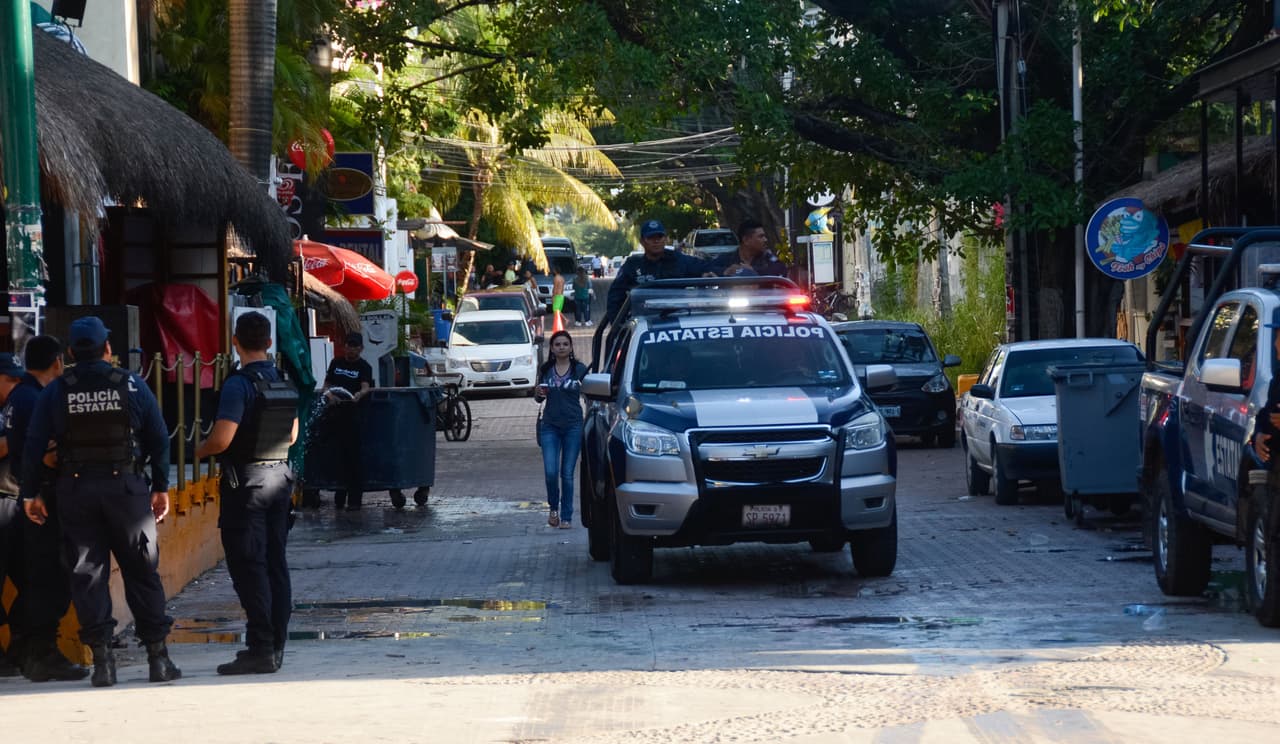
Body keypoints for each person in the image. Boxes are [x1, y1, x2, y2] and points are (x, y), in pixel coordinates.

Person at [21, 317, 180, 687]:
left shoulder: (57, 390)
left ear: (72, 352)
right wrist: (160, 486)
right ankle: (158, 659)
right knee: (142, 572)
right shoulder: (131, 383)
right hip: (126, 491)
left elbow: (32, 446)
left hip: (75, 492)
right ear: (108, 349)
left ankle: (103, 664)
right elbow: (159, 438)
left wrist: (31, 493)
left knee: (87, 575)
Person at [195, 311, 298, 675]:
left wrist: (199, 450)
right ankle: (277, 644)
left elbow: (223, 438)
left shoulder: (239, 385)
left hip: (247, 485)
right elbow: (292, 436)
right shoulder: (282, 380)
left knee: (248, 566)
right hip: (279, 479)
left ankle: (260, 648)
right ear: (269, 342)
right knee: (275, 564)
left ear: (235, 342)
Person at [0, 339, 88, 682]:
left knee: (33, 579)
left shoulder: (21, 396)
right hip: (27, 499)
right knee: (48, 579)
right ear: (57, 362)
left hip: (20, 496)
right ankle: (38, 652)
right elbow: (45, 452)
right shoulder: (31, 397)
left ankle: (26, 649)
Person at [533, 331, 588, 528]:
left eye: (566, 344)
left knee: (567, 473)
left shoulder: (580, 369)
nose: (562, 347)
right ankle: (553, 508)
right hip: (550, 426)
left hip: (573, 426)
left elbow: (591, 396)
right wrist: (538, 393)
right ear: (552, 348)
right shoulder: (546, 369)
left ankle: (566, 517)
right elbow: (538, 397)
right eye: (558, 344)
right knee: (550, 471)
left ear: (571, 347)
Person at [605, 219, 707, 323]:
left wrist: (712, 272)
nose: (656, 241)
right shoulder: (632, 265)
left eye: (659, 237)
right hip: (644, 322)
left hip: (679, 320)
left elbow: (708, 267)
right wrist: (618, 325)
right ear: (642, 241)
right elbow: (615, 297)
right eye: (650, 238)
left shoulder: (679, 260)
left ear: (665, 239)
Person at [323, 332, 374, 510]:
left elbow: (366, 387)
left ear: (360, 348)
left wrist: (359, 395)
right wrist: (329, 395)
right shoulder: (336, 363)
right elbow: (327, 384)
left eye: (355, 346)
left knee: (354, 459)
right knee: (336, 456)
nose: (351, 349)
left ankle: (354, 499)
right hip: (334, 414)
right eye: (348, 346)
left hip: (353, 416)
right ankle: (339, 493)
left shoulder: (364, 366)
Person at [708, 219, 788, 277]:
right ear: (746, 240)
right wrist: (725, 272)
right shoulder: (727, 259)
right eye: (761, 236)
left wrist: (753, 270)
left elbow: (781, 270)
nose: (765, 240)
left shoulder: (768, 258)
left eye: (764, 236)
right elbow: (709, 269)